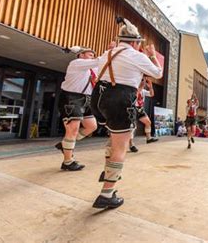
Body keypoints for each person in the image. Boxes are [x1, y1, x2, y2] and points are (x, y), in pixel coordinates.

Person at [90, 17, 162, 209]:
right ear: (135, 42)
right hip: (119, 100)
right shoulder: (137, 56)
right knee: (120, 148)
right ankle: (107, 194)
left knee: (113, 139)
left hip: (99, 99)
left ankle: (108, 172)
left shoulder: (108, 53)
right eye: (139, 43)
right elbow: (157, 73)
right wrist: (153, 55)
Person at [55, 46, 99, 171]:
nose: (93, 56)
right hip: (71, 97)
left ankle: (65, 146)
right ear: (81, 55)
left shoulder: (92, 68)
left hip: (87, 98)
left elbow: (104, 66)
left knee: (92, 126)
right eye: (90, 54)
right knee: (73, 130)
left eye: (93, 54)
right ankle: (67, 162)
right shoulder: (77, 63)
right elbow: (100, 61)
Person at [129, 78, 157, 153]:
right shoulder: (133, 89)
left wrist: (150, 86)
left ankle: (148, 138)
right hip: (133, 108)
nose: (144, 82)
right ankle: (131, 145)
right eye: (142, 81)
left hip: (140, 109)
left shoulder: (143, 91)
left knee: (148, 122)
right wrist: (141, 85)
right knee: (133, 127)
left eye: (144, 81)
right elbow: (136, 93)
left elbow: (151, 94)